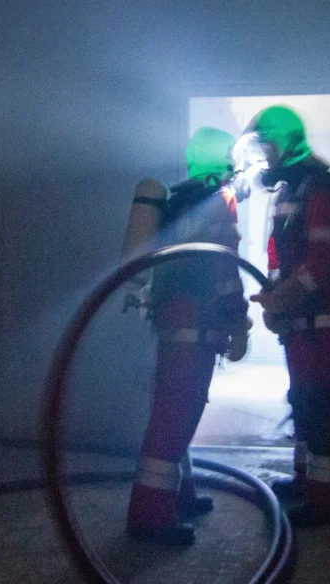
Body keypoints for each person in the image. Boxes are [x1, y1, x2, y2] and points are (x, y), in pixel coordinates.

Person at [125, 126, 252, 545]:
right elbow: (225, 267)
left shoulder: (180, 199)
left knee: (175, 407)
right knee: (175, 413)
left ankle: (182, 492)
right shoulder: (219, 200)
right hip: (197, 322)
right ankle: (149, 516)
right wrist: (238, 322)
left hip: (172, 319)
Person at [244, 106, 330, 525]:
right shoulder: (292, 190)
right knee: (306, 406)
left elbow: (324, 265)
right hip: (303, 330)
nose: (264, 155)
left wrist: (281, 300)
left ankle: (327, 505)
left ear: (287, 141)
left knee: (327, 413)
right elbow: (281, 257)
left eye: (267, 144)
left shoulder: (322, 189)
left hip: (328, 330)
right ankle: (306, 483)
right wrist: (277, 298)